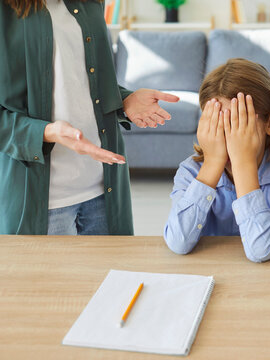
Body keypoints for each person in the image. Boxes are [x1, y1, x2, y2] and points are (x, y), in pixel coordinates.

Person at [0, 0, 179, 235]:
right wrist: (48, 132)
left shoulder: (90, 3)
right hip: (42, 201)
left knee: (111, 271)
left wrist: (124, 99)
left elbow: (83, 80)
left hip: (104, 190)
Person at [164, 58, 270, 263]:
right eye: (216, 125)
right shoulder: (191, 172)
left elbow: (262, 249)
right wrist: (212, 163)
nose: (228, 138)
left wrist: (244, 164)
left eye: (238, 125)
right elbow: (178, 242)